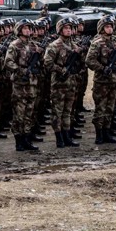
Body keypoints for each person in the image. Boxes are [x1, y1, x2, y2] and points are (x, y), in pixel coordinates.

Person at [4, 19, 41, 151]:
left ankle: (27, 139)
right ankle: (19, 141)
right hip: (20, 84)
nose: (27, 30)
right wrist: (21, 70)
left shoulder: (34, 46)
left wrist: (36, 68)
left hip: (32, 84)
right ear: (19, 30)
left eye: (29, 28)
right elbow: (8, 62)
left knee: (29, 114)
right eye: (24, 28)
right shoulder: (14, 45)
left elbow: (40, 62)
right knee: (19, 115)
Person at [43, 18, 80, 148]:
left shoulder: (74, 46)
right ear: (60, 30)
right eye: (65, 28)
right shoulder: (54, 46)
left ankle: (67, 135)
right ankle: (59, 137)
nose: (68, 30)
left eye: (70, 28)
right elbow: (47, 63)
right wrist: (61, 69)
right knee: (57, 111)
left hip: (71, 83)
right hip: (59, 83)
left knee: (68, 111)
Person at [86, 15, 116, 144]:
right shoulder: (97, 43)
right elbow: (89, 60)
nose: (110, 29)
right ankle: (99, 135)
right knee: (100, 109)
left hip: (114, 80)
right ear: (102, 28)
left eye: (111, 26)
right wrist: (102, 68)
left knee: (110, 108)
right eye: (107, 26)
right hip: (102, 81)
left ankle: (107, 133)